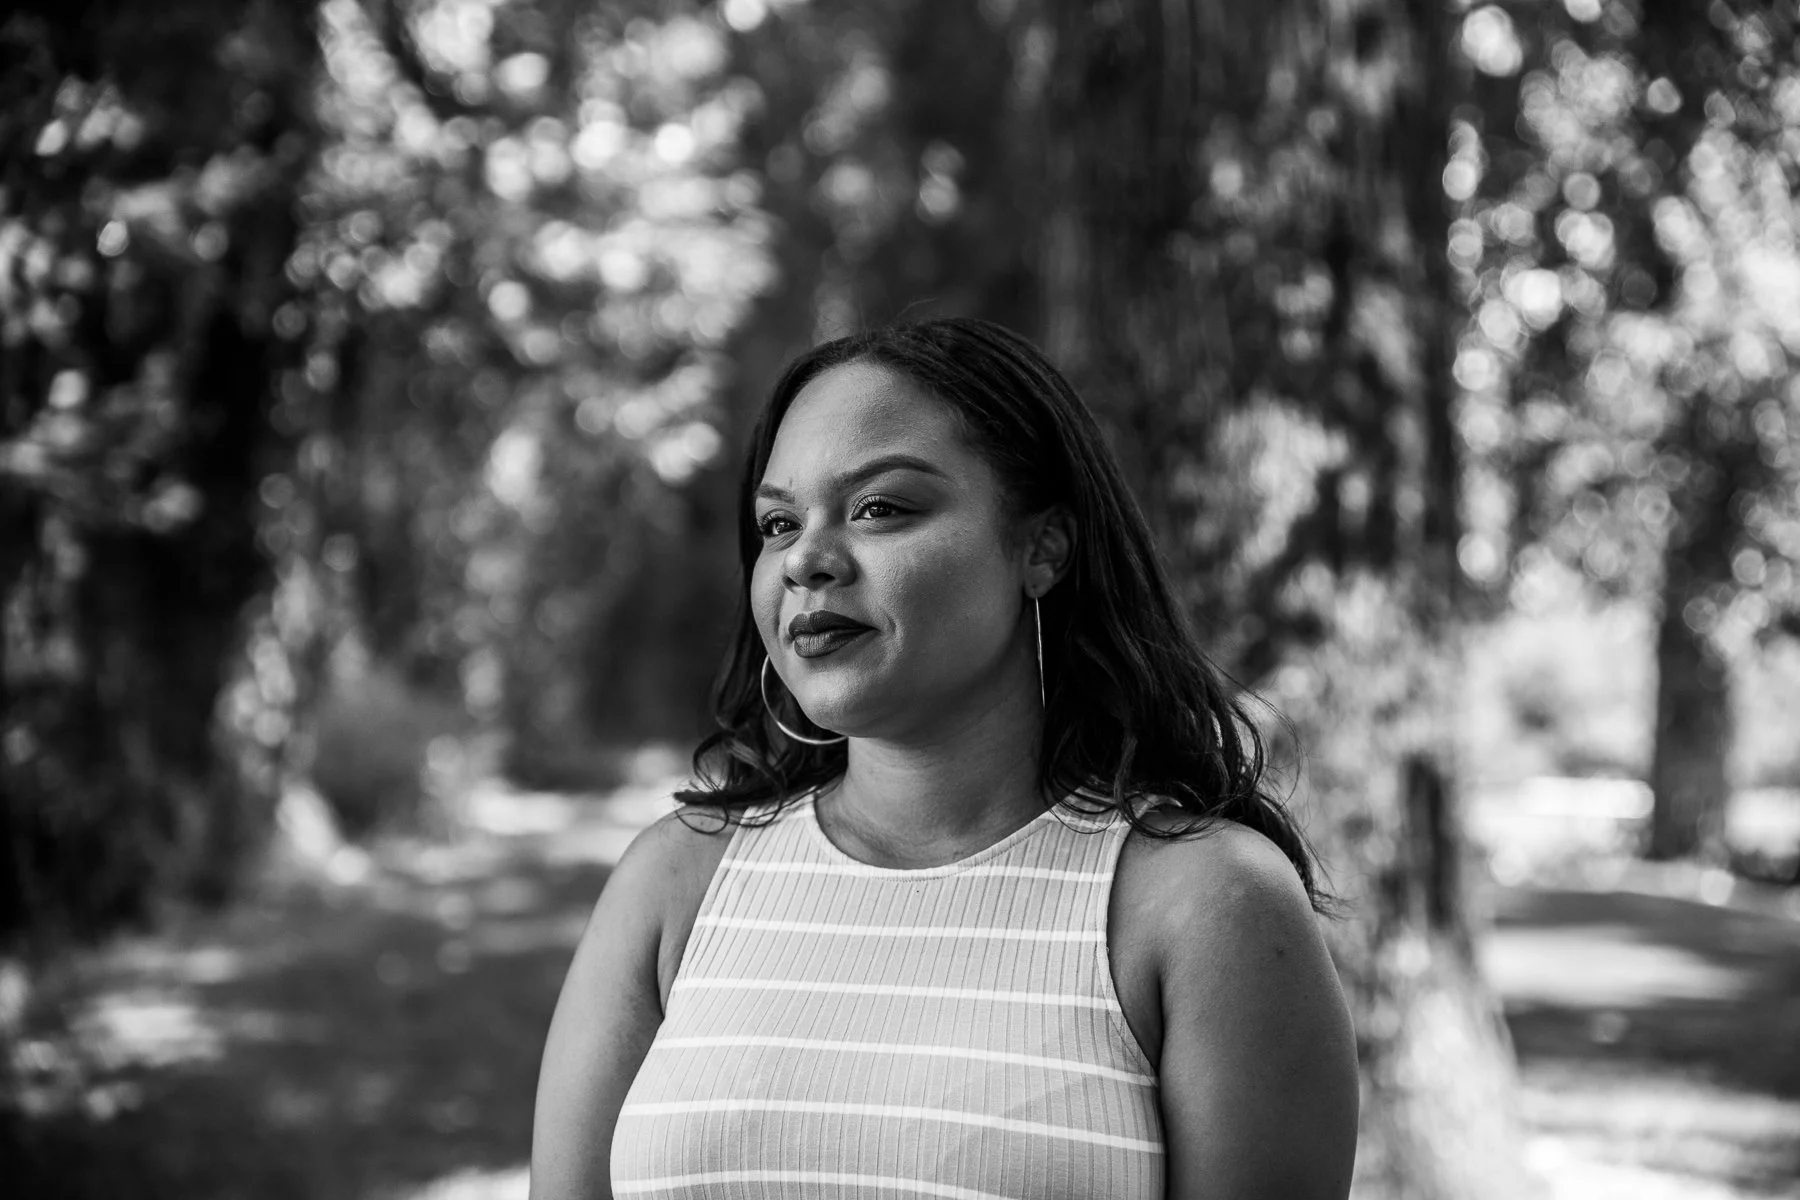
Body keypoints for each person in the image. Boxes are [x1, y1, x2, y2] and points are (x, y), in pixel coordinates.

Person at [529, 317, 1359, 1199]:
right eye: (778, 523)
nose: (806, 559)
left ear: (1042, 547)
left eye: (879, 507)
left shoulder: (1207, 905)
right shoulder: (675, 883)